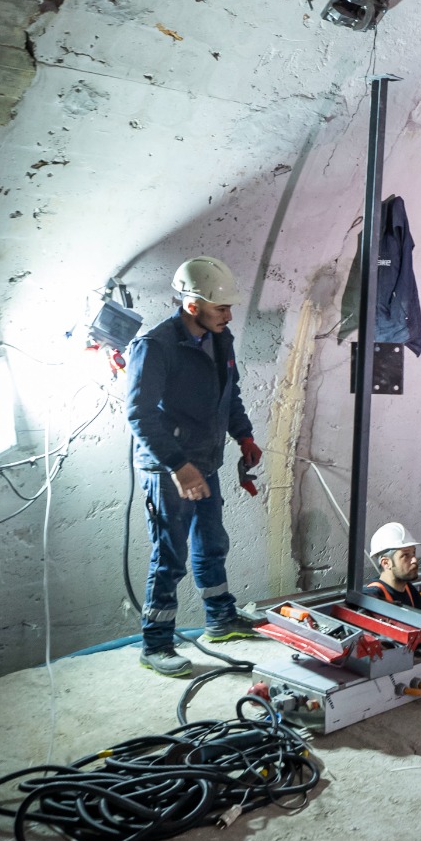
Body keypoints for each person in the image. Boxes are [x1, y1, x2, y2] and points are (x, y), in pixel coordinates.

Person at [127, 256, 262, 677]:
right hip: (170, 469)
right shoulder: (156, 346)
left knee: (211, 541)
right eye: (220, 308)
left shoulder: (221, 339)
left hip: (206, 459)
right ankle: (155, 644)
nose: (228, 314)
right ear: (192, 306)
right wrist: (178, 466)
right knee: (170, 555)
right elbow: (140, 415)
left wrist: (244, 435)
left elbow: (230, 393)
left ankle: (220, 619)